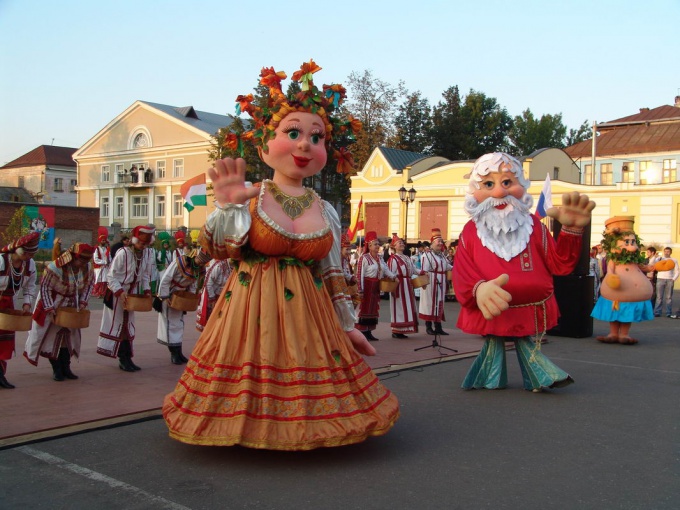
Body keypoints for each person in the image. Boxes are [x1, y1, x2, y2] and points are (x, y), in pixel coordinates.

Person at [163, 61, 399, 450]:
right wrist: (225, 207)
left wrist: (347, 323)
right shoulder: (251, 197)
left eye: (316, 137)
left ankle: (304, 430)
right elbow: (217, 250)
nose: (305, 144)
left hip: (311, 312)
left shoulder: (324, 210)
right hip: (249, 307)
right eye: (292, 133)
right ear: (262, 146)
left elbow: (332, 271)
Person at [453, 152, 595, 391]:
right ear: (474, 191)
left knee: (522, 339)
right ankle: (520, 376)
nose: (499, 193)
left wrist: (570, 231)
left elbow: (560, 264)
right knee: (498, 340)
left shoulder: (535, 228)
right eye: (488, 184)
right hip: (493, 304)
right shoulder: (471, 231)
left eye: (507, 182)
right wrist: (478, 289)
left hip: (532, 304)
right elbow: (463, 271)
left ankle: (508, 376)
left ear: (521, 185)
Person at [591, 217, 671, 344]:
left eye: (633, 242)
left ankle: (624, 334)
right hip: (616, 294)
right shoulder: (614, 259)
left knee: (626, 315)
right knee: (615, 313)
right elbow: (610, 270)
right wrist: (612, 277)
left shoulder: (634, 260)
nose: (631, 246)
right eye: (627, 242)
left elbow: (645, 267)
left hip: (631, 296)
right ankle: (613, 333)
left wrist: (656, 267)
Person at [24, 243, 95, 380]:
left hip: (71, 305)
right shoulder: (55, 268)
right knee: (52, 338)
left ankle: (66, 368)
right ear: (73, 257)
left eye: (87, 260)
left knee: (68, 338)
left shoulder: (87, 267)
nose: (83, 263)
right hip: (52, 302)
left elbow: (89, 285)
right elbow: (44, 288)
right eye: (81, 260)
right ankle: (56, 369)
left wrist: (82, 303)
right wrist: (50, 309)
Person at [97, 225, 155, 372]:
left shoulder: (148, 253)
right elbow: (111, 276)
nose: (143, 247)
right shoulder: (123, 253)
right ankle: (123, 359)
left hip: (131, 295)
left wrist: (147, 290)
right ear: (134, 240)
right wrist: (120, 291)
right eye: (141, 243)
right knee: (119, 326)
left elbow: (146, 274)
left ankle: (127, 358)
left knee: (128, 325)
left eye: (145, 244)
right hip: (117, 294)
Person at [154, 248, 209, 364]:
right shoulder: (180, 262)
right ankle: (174, 353)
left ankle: (178, 352)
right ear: (195, 256)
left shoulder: (199, 269)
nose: (201, 264)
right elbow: (166, 278)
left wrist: (190, 296)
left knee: (179, 324)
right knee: (170, 324)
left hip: (181, 297)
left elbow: (194, 284)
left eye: (203, 262)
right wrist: (164, 297)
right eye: (200, 261)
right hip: (169, 294)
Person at [0, 231, 39, 389]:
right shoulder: (1, 261)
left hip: (10, 307)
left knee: (4, 341)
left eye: (31, 254)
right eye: (27, 253)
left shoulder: (30, 265)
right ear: (19, 249)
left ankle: (1, 374)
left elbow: (30, 286)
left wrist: (27, 303)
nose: (29, 257)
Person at [355, 231, 396, 341]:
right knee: (364, 308)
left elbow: (385, 269)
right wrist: (360, 289)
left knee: (373, 309)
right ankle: (362, 331)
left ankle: (369, 331)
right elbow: (360, 274)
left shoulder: (380, 258)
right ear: (369, 245)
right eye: (376, 244)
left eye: (378, 244)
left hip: (376, 286)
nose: (378, 246)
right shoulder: (364, 258)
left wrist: (393, 277)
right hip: (367, 285)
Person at [418, 228, 453, 336]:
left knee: (439, 303)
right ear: (432, 243)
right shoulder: (427, 255)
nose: (440, 243)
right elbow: (424, 270)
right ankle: (428, 326)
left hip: (441, 281)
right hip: (430, 281)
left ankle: (438, 327)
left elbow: (448, 266)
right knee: (429, 303)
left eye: (441, 241)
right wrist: (424, 283)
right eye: (438, 241)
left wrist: (458, 268)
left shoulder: (442, 255)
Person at [387, 234, 419, 338]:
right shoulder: (393, 259)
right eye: (399, 243)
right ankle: (396, 330)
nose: (401, 244)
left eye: (402, 242)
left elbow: (414, 270)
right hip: (399, 285)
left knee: (408, 306)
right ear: (394, 247)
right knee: (399, 306)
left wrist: (423, 272)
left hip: (408, 285)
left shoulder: (407, 258)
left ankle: (404, 328)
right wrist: (393, 286)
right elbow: (390, 273)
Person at [196, 256, 231, 332]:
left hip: (222, 296)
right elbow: (208, 282)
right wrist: (212, 299)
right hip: (212, 295)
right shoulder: (219, 265)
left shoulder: (233, 266)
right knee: (211, 321)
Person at [653, 247, 679, 317]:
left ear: (671, 252)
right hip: (660, 279)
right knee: (659, 297)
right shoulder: (660, 259)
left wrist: (673, 279)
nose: (666, 253)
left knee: (669, 297)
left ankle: (668, 312)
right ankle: (657, 312)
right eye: (665, 251)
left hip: (669, 279)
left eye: (668, 251)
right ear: (663, 252)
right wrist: (655, 257)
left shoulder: (674, 260)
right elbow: (653, 263)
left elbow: (677, 271)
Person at [92, 228, 111, 297]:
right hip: (99, 268)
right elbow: (95, 259)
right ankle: (96, 293)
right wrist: (104, 262)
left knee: (104, 281)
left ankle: (103, 294)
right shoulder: (96, 249)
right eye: (103, 240)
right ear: (100, 241)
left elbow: (109, 257)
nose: (104, 241)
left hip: (105, 268)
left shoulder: (106, 249)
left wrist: (109, 262)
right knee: (98, 280)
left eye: (105, 240)